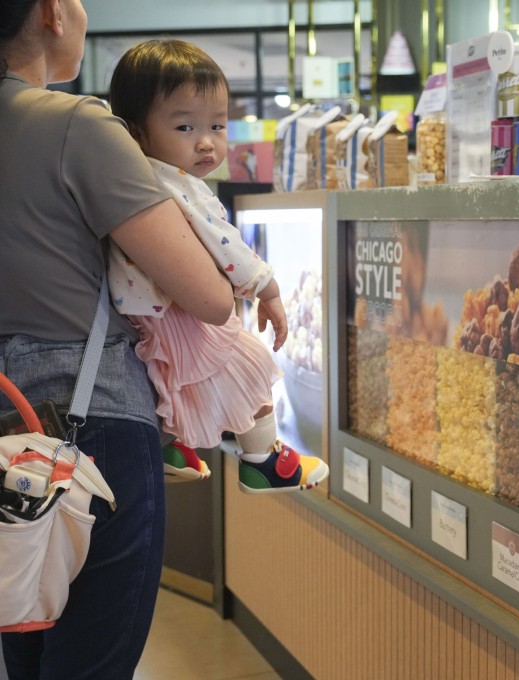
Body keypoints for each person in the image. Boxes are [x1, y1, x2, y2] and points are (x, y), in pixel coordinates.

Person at [0, 1, 235, 677]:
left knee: (27, 643)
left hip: (7, 423)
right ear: (48, 12)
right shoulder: (75, 124)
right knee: (92, 658)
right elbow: (210, 296)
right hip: (88, 428)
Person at [106, 38, 329, 494]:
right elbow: (225, 245)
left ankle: (170, 447)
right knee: (251, 364)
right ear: (137, 132)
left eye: (218, 125)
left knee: (173, 382)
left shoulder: (129, 179)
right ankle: (263, 461)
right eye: (186, 127)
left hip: (146, 313)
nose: (207, 142)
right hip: (176, 312)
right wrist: (266, 288)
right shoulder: (177, 186)